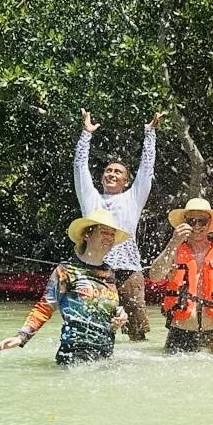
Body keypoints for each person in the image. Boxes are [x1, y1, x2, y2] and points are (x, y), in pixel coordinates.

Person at [74, 108, 164, 341]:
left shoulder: (133, 198)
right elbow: (80, 168)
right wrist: (86, 134)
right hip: (94, 270)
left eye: (118, 172)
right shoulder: (91, 199)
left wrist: (150, 133)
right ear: (102, 177)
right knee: (94, 327)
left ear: (126, 181)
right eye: (108, 170)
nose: (112, 174)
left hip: (128, 273)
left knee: (137, 333)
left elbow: (147, 169)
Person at [0, 208, 129, 363]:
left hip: (105, 356)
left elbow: (106, 309)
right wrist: (21, 337)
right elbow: (45, 306)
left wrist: (120, 315)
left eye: (112, 234)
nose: (109, 237)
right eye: (103, 232)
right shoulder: (66, 271)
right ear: (87, 235)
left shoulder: (109, 273)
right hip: (73, 358)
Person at [149, 198, 213, 353]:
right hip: (180, 332)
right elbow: (154, 275)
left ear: (209, 224)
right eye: (191, 221)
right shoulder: (173, 251)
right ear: (184, 223)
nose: (196, 226)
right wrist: (173, 243)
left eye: (202, 221)